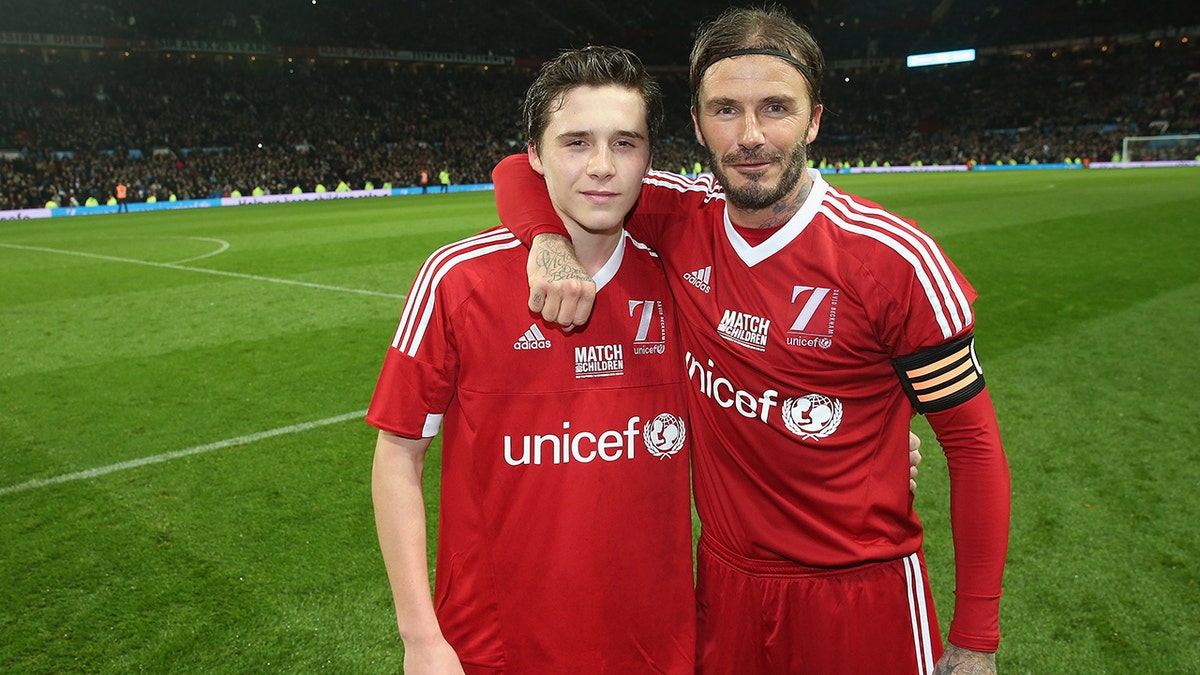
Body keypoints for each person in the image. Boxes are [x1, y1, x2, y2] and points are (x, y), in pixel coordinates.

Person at [492, 6, 1011, 674]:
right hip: (725, 582)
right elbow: (521, 168)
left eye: (775, 107)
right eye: (726, 110)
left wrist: (975, 639)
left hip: (857, 589)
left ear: (815, 118)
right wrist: (548, 242)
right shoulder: (682, 216)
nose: (751, 135)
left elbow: (972, 447)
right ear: (700, 122)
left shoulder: (892, 259)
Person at [367, 46, 696, 674]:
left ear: (650, 158)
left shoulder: (681, 280)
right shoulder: (456, 279)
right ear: (535, 155)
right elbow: (397, 454)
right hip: (495, 646)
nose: (602, 167)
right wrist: (421, 639)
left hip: (655, 643)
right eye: (576, 142)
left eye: (625, 144)